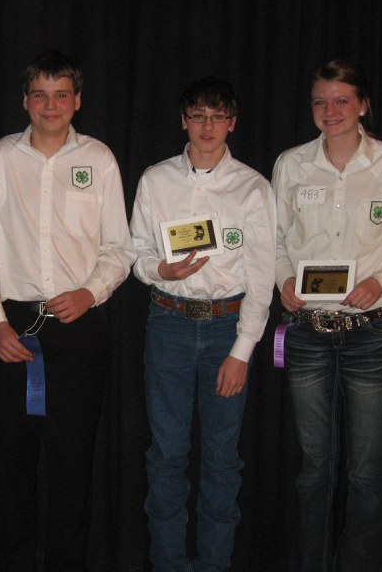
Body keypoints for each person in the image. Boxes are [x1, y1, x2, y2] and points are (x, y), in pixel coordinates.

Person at [0, 50, 135, 571]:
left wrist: (91, 293)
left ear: (77, 101)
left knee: (72, 470)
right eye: (39, 94)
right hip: (11, 327)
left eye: (62, 93)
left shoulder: (100, 160)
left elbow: (119, 249)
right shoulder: (0, 158)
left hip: (78, 327)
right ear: (25, 100)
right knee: (11, 470)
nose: (50, 104)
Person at [273, 60, 382, 571]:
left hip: (373, 334)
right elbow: (276, 242)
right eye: (320, 101)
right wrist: (284, 281)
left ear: (363, 105)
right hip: (309, 333)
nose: (329, 111)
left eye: (340, 101)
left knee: (366, 471)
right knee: (313, 468)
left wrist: (381, 281)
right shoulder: (291, 165)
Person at [129, 77, 275, 572]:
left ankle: (214, 565)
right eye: (198, 115)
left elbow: (262, 278)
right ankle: (168, 563)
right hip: (167, 324)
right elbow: (137, 254)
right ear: (183, 120)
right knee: (166, 455)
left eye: (217, 117)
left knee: (220, 460)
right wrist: (159, 270)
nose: (207, 126)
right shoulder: (155, 180)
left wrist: (242, 351)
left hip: (224, 331)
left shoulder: (253, 187)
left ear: (232, 123)